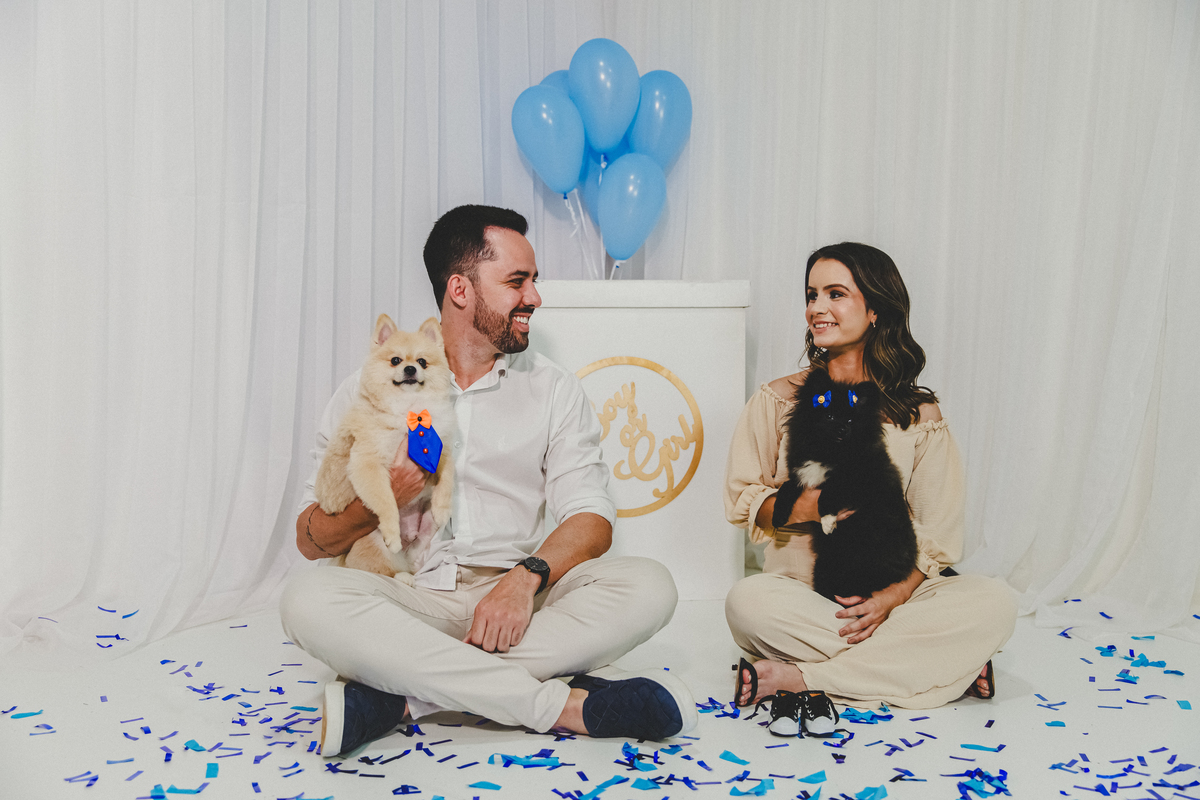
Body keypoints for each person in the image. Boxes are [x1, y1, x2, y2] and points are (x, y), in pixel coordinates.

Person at [280, 205, 695, 757]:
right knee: (306, 600)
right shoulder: (370, 385)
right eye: (517, 281)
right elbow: (311, 541)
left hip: (519, 606)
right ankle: (559, 707)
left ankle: (405, 698)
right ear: (460, 289)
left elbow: (591, 517)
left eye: (534, 281)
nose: (535, 297)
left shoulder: (553, 389)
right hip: (410, 600)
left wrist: (524, 581)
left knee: (649, 586)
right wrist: (387, 498)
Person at [723, 242, 1016, 736]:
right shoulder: (777, 400)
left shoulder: (917, 414)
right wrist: (820, 505)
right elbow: (744, 500)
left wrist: (892, 600)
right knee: (746, 603)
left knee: (994, 602)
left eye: (836, 294)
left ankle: (801, 678)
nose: (818, 307)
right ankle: (945, 665)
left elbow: (937, 533)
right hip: (804, 596)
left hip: (898, 595)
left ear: (876, 308)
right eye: (812, 294)